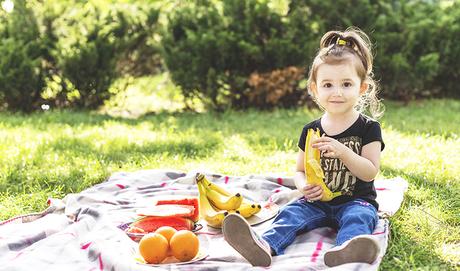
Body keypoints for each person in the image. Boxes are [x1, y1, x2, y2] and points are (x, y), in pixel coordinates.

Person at [222, 27, 385, 267]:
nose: (337, 92)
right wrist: (303, 186)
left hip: (356, 200)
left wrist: (343, 151)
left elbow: (370, 171)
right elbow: (299, 170)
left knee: (359, 218)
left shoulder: (368, 128)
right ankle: (262, 246)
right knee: (291, 213)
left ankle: (346, 250)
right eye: (328, 85)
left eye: (346, 84)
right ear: (315, 89)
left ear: (361, 88)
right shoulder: (311, 130)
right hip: (317, 201)